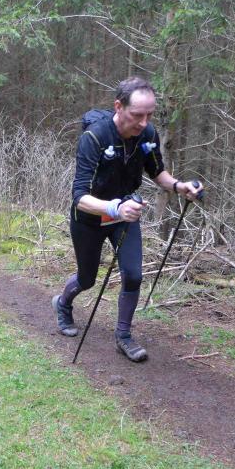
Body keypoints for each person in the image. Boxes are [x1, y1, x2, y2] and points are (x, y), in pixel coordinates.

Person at [53, 76, 203, 362]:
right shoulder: (94, 138)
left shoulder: (148, 134)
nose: (144, 122)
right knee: (87, 279)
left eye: (150, 115)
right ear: (118, 107)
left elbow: (157, 172)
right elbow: (79, 196)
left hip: (126, 214)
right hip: (89, 218)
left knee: (133, 274)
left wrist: (178, 186)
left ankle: (123, 336)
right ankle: (63, 303)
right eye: (137, 115)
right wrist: (114, 208)